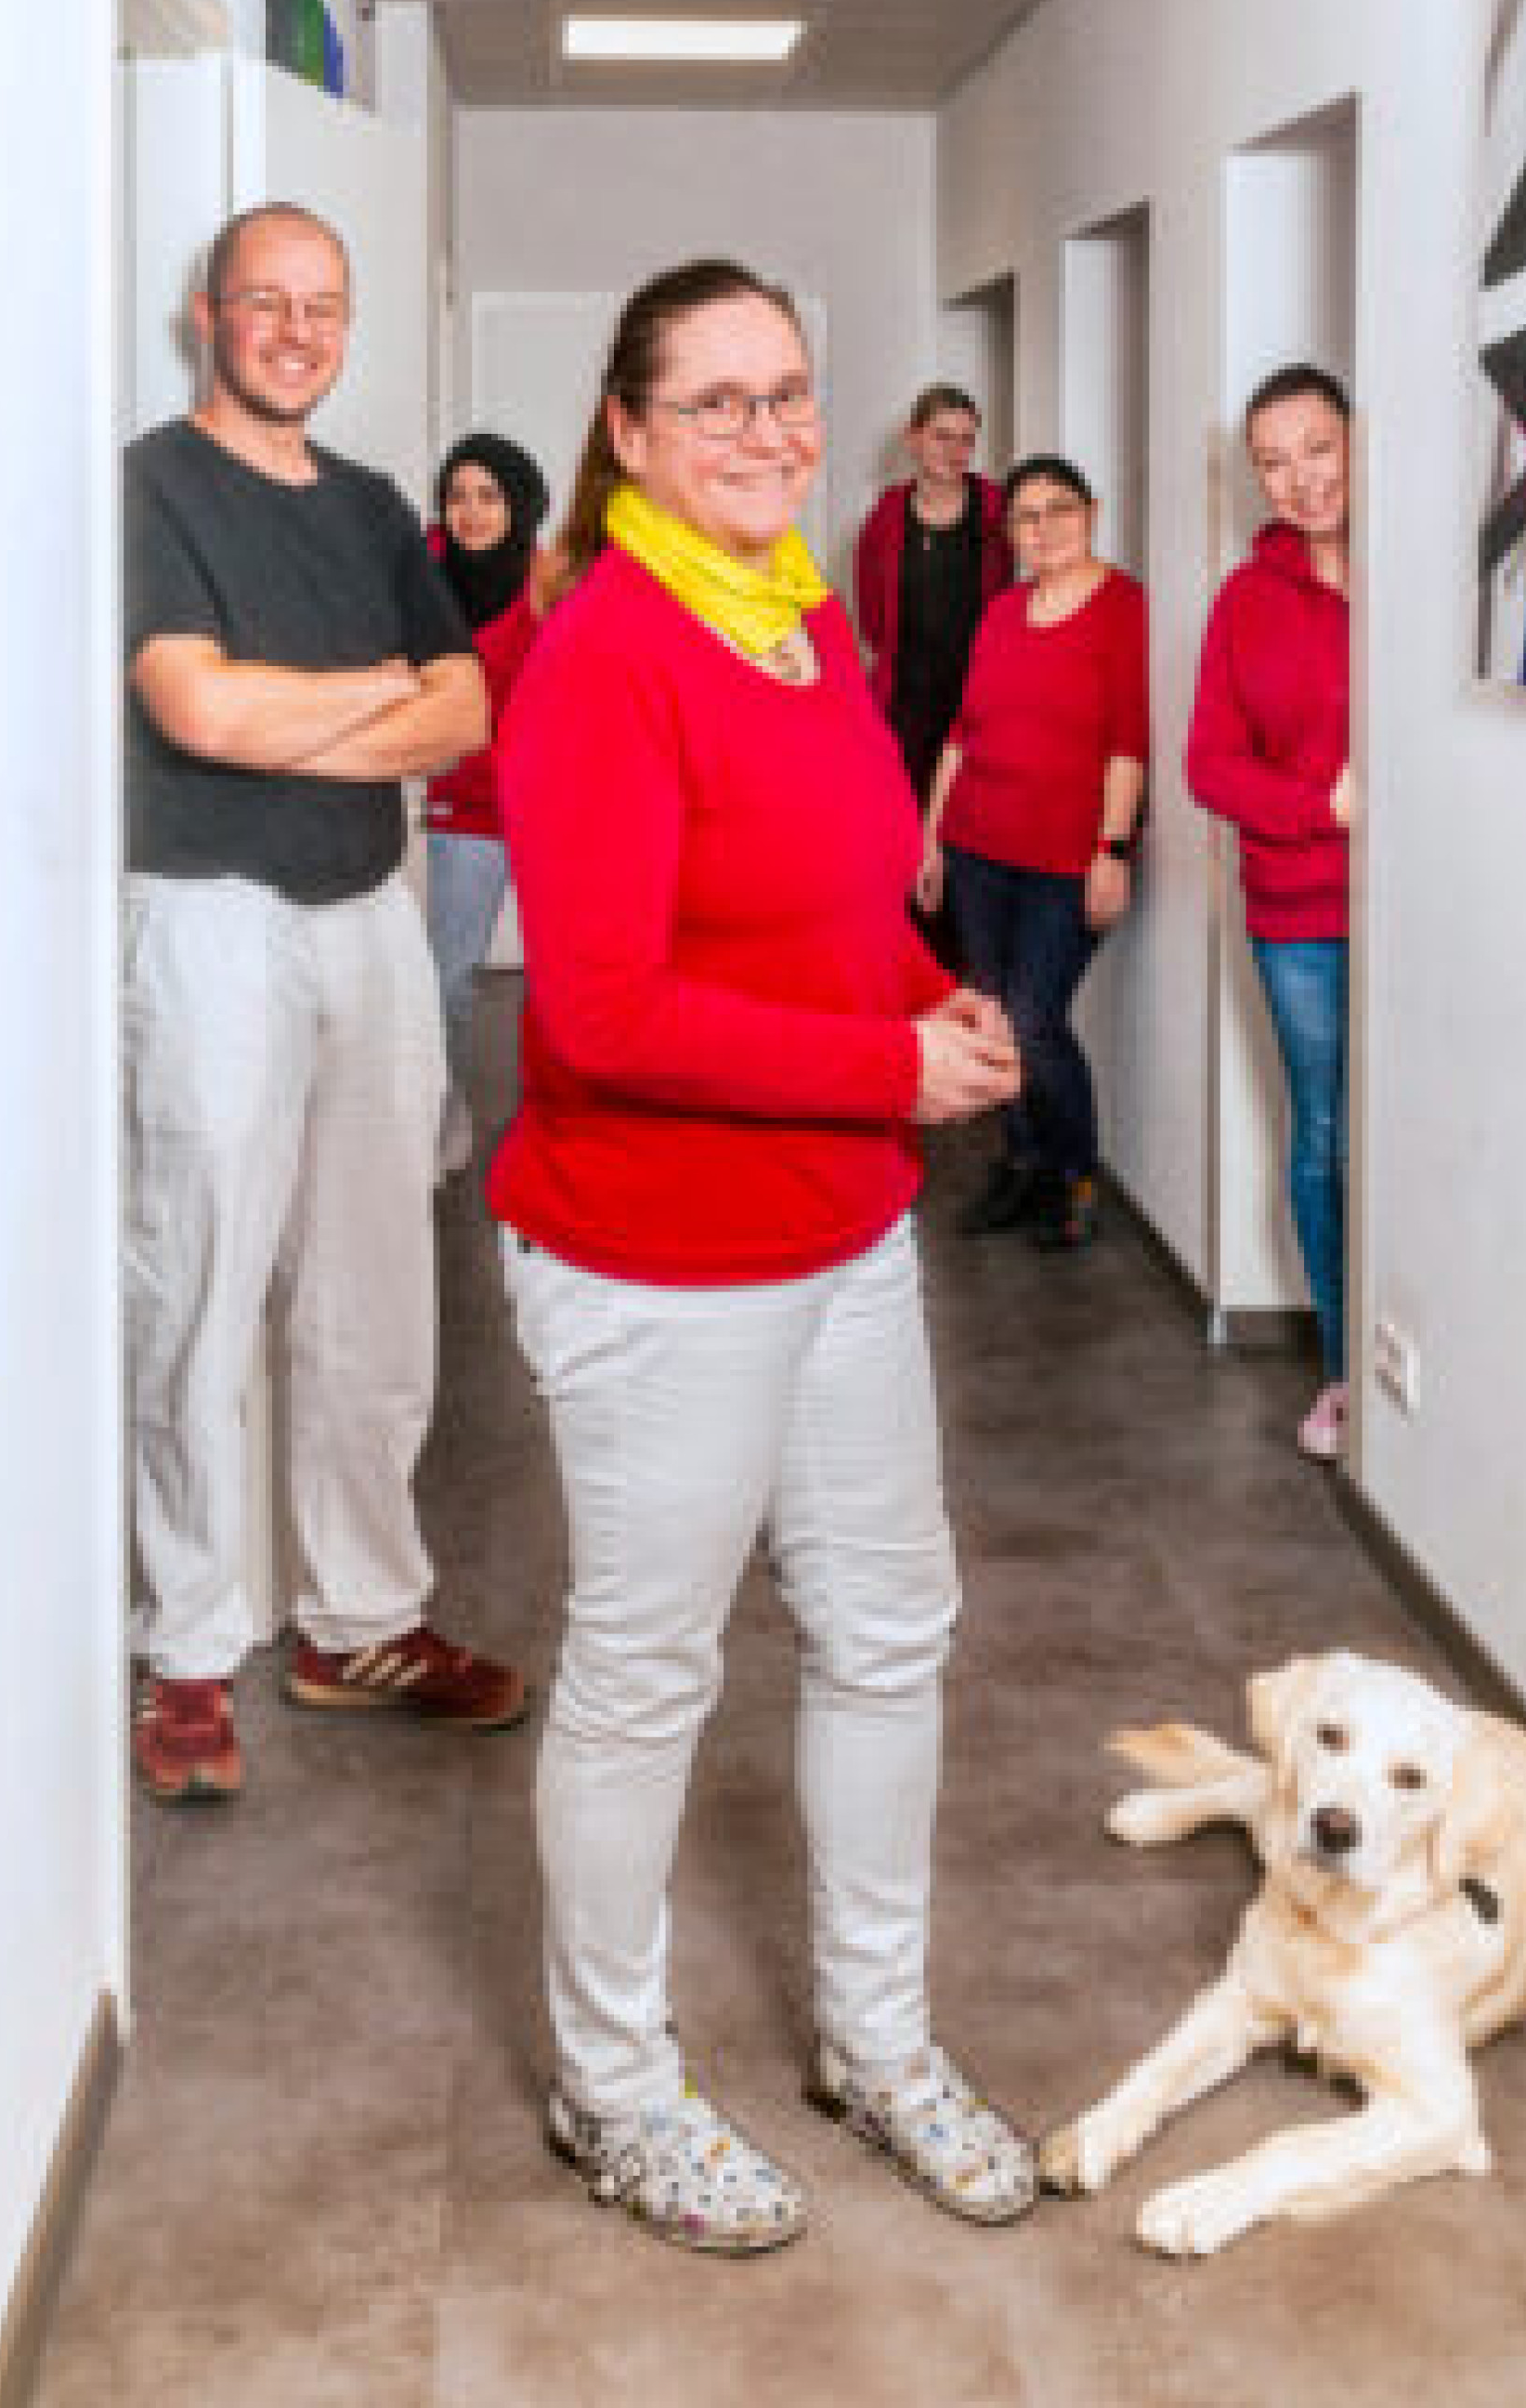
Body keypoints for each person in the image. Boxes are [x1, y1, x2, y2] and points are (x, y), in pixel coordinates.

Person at [489, 260, 1035, 2252]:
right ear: (628, 432)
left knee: (889, 1630)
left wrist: (919, 996)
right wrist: (887, 1066)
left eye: (786, 392)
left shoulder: (799, 613)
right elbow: (603, 1014)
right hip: (658, 1258)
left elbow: (832, 898)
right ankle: (615, 2089)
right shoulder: (604, 655)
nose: (763, 430)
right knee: (648, 1674)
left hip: (843, 1227)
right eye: (712, 400)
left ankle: (873, 2045)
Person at [123, 202, 529, 1805]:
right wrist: (370, 695)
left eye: (324, 307)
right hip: (207, 916)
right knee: (200, 1281)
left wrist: (305, 709)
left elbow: (464, 706)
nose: (297, 332)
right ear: (209, 316)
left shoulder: (368, 508)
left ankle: (359, 1622)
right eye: (267, 302)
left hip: (369, 916)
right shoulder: (153, 486)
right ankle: (187, 1651)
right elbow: (195, 711)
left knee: (377, 1289)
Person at [1186, 363, 1354, 1463]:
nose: (1299, 480)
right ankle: (1345, 1373)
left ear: (1356, 441)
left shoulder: (1420, 574)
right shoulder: (1244, 600)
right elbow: (1208, 764)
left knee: (1419, 1127)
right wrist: (1316, 809)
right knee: (1324, 1133)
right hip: (1298, 911)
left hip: (1421, 905)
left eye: (1316, 449)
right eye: (1272, 462)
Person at [918, 454, 1149, 1249]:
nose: (1044, 528)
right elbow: (962, 733)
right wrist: (931, 839)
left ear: (1092, 512)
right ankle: (1021, 1165)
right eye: (1026, 516)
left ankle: (1075, 1175)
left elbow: (1128, 741)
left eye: (1060, 509)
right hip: (977, 845)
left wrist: (1112, 848)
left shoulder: (1123, 608)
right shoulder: (1001, 614)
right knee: (991, 1014)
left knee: (1035, 1018)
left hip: (1065, 860)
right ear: (1009, 532)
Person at [419, 430, 556, 1173]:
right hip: (462, 808)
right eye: (458, 496)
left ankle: (557, 1125)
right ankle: (445, 1113)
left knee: (563, 981)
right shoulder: (425, 566)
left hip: (542, 808)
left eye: (489, 496)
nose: (470, 512)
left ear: (520, 504)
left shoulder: (548, 575)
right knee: (446, 979)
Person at [853, 385, 1011, 807]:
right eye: (942, 436)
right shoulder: (886, 515)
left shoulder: (996, 508)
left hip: (978, 697)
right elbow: (872, 615)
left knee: (970, 815)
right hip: (905, 702)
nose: (955, 451)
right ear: (913, 438)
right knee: (902, 811)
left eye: (966, 440)